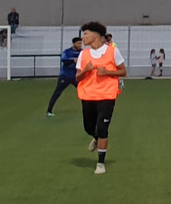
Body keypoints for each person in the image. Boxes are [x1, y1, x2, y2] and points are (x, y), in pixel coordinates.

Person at [75, 21, 126, 175]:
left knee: (103, 128)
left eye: (85, 34)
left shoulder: (112, 52)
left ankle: (101, 163)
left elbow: (123, 72)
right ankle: (97, 139)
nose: (83, 38)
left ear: (95, 35)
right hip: (88, 95)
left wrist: (108, 73)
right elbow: (77, 77)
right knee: (89, 127)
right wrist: (86, 70)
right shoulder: (83, 54)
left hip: (107, 95)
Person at [46, 36, 82, 115]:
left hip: (76, 76)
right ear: (74, 43)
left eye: (81, 43)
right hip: (65, 76)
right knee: (57, 93)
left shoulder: (82, 52)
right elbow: (65, 61)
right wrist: (73, 61)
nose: (80, 45)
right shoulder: (67, 51)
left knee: (84, 93)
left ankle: (88, 110)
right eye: (78, 43)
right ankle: (49, 110)